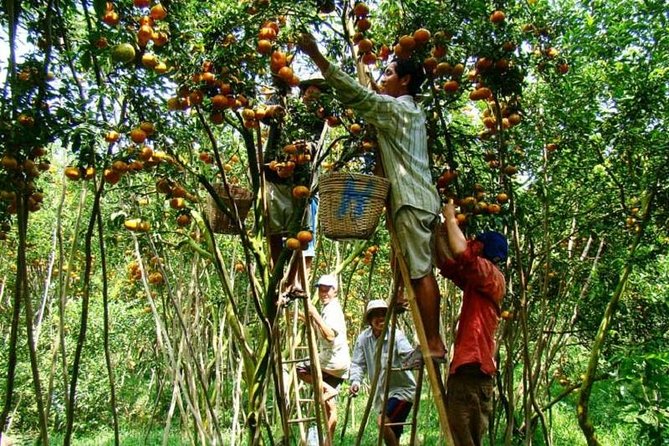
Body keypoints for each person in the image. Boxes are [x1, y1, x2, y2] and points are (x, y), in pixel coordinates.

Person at [297, 33, 446, 363]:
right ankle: (424, 329)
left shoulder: (396, 111)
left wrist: (317, 56)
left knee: (420, 273)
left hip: (411, 200)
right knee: (414, 268)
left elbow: (356, 95)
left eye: (390, 73)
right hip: (418, 200)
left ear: (406, 80)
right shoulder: (410, 112)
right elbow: (376, 98)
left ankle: (433, 343)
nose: (384, 79)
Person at [436, 200, 507, 446]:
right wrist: (440, 230)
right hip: (473, 372)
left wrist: (450, 218)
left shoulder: (490, 274)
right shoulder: (479, 282)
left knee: (464, 439)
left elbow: (461, 253)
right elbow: (451, 265)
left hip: (472, 371)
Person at [264, 79, 329, 291]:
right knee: (273, 229)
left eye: (318, 94)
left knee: (299, 233)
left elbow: (314, 145)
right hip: (275, 177)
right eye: (309, 91)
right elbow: (266, 114)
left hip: (300, 183)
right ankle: (277, 272)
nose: (312, 96)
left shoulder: (320, 120)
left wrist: (304, 151)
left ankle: (291, 281)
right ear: (301, 94)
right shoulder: (286, 110)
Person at [349, 299, 416, 446]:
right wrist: (355, 381)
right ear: (369, 319)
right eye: (376, 315)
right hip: (381, 395)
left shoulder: (396, 336)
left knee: (383, 422)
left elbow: (409, 355)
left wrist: (417, 357)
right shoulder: (363, 339)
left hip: (402, 391)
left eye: (383, 314)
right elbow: (358, 364)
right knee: (393, 434)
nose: (380, 318)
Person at [296, 274, 350, 445]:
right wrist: (307, 317)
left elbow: (329, 335)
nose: (323, 293)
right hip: (339, 363)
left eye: (327, 289)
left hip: (331, 361)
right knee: (330, 407)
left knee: (300, 368)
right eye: (321, 289)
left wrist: (313, 313)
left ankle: (328, 389)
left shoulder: (332, 309)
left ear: (335, 291)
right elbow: (321, 330)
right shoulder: (328, 309)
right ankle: (328, 442)